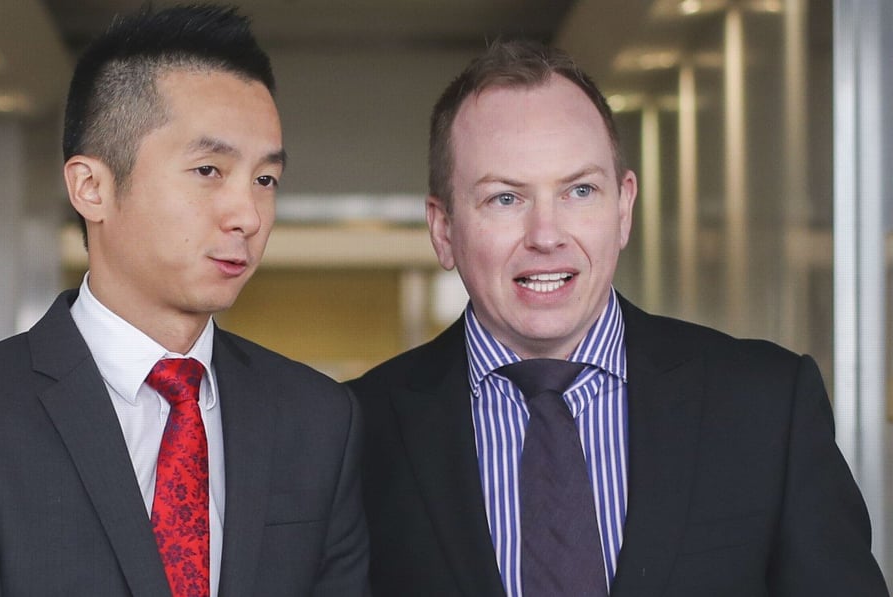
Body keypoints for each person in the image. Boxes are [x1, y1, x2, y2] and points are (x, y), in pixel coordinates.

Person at [347, 40, 888, 597]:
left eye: (580, 190)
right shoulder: (352, 434)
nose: (546, 236)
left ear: (623, 208)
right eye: (506, 199)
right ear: (443, 229)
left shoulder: (766, 407)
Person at [0, 5, 369, 596]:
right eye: (208, 170)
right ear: (92, 187)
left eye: (265, 180)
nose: (248, 215)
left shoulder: (317, 420)